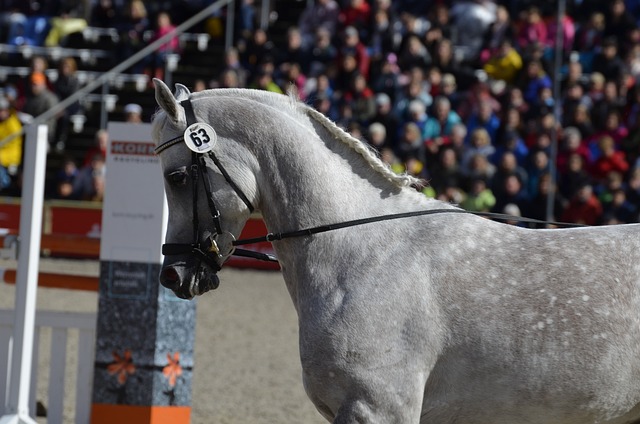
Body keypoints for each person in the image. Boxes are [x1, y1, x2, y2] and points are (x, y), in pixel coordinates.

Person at [22, 71, 60, 147]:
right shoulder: (29, 97)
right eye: (32, 84)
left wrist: (36, 123)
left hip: (45, 132)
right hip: (31, 130)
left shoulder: (50, 98)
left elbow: (52, 119)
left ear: (43, 84)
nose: (33, 87)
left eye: (36, 84)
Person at [0, 96, 22, 178]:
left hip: (11, 154)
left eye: (2, 110)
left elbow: (12, 144)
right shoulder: (2, 123)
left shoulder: (13, 123)